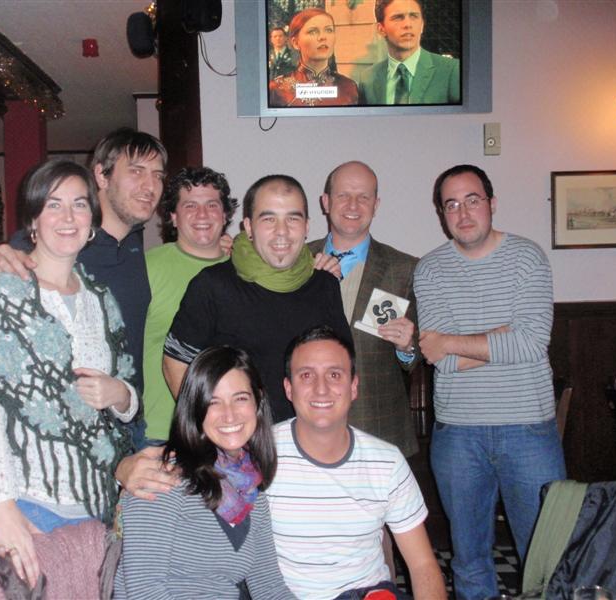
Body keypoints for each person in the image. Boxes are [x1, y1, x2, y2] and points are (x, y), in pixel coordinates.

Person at [0, 159, 142, 588]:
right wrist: (1, 508)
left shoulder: (100, 300)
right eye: (53, 204)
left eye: (79, 204)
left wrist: (120, 394)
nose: (68, 217)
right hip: (17, 496)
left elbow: (126, 397)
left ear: (92, 221)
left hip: (88, 500)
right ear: (32, 220)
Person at [0, 128, 177, 499]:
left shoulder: (134, 246)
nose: (150, 185)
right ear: (102, 175)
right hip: (61, 441)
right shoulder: (59, 240)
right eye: (136, 171)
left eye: (158, 175)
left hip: (127, 422)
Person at [414, 164, 566, 600]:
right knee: (469, 559)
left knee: (545, 556)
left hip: (528, 430)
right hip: (458, 434)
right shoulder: (430, 269)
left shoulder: (528, 257)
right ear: (441, 213)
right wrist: (502, 336)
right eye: (451, 204)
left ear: (492, 203)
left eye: (472, 200)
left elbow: (532, 343)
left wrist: (452, 342)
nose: (463, 213)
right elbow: (438, 359)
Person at [268, 325, 446, 600]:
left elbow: (422, 565)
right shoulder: (260, 455)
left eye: (334, 375)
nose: (321, 389)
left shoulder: (386, 462)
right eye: (306, 375)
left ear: (353, 387)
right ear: (288, 389)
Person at [163, 174, 352, 424]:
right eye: (268, 219)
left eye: (293, 218)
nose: (282, 231)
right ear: (249, 227)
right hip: (238, 441)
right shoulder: (213, 285)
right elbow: (175, 363)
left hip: (307, 438)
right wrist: (207, 427)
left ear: (307, 227)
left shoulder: (325, 284)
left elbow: (343, 366)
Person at [113, 346, 295, 600]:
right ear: (195, 409)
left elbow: (269, 588)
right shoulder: (164, 475)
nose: (229, 415)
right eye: (213, 402)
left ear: (258, 402)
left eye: (240, 398)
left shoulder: (253, 496)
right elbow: (144, 590)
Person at [309, 161, 420, 457]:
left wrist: (407, 347)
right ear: (326, 202)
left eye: (363, 197)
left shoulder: (404, 269)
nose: (353, 205)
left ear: (376, 205)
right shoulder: (297, 263)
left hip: (378, 425)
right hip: (307, 422)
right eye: (343, 195)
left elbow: (415, 358)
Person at [142, 167, 237, 443]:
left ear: (225, 214)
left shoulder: (244, 272)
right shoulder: (146, 268)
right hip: (160, 432)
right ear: (173, 216)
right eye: (190, 206)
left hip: (231, 432)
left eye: (212, 205)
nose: (202, 215)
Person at [358, 0, 460, 105]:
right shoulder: (368, 78)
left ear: (422, 25)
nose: (408, 24)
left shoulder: (452, 71)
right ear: (381, 29)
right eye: (398, 17)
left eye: (414, 16)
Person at [269, 8, 359, 107]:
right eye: (313, 32)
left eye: (329, 30)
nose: (323, 37)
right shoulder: (277, 89)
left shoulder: (349, 87)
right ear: (295, 43)